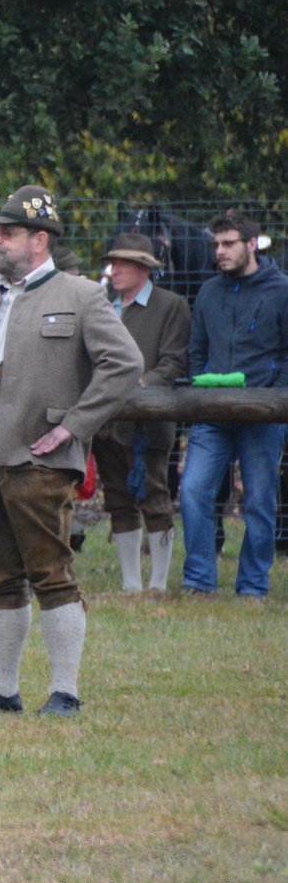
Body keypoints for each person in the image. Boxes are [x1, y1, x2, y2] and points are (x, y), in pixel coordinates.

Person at [0, 185, 141, 717]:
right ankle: (2, 689)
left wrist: (74, 426)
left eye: (7, 234)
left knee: (51, 572)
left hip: (38, 454)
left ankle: (65, 692)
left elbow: (125, 365)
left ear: (40, 240)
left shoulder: (81, 295)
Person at [178, 212, 288, 597]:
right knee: (193, 490)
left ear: (252, 244)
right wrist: (201, 392)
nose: (219, 251)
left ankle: (253, 586)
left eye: (228, 244)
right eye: (216, 244)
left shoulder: (282, 291)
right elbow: (197, 349)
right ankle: (198, 580)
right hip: (212, 413)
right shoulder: (208, 292)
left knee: (259, 500)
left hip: (264, 414)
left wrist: (276, 399)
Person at [92, 234, 189, 591]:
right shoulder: (103, 304)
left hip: (147, 422)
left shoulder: (171, 305)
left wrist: (142, 384)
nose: (114, 270)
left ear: (145, 269)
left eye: (124, 264)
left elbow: (175, 361)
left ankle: (158, 584)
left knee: (155, 497)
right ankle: (131, 584)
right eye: (112, 262)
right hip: (103, 421)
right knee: (117, 497)